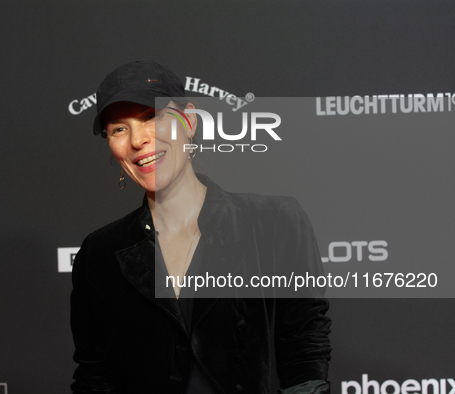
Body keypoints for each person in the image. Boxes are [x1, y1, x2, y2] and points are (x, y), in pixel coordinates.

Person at [70, 60, 331, 394]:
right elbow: (94, 377)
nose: (138, 140)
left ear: (189, 121)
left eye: (152, 116)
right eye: (119, 128)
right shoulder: (100, 252)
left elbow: (304, 358)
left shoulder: (274, 222)